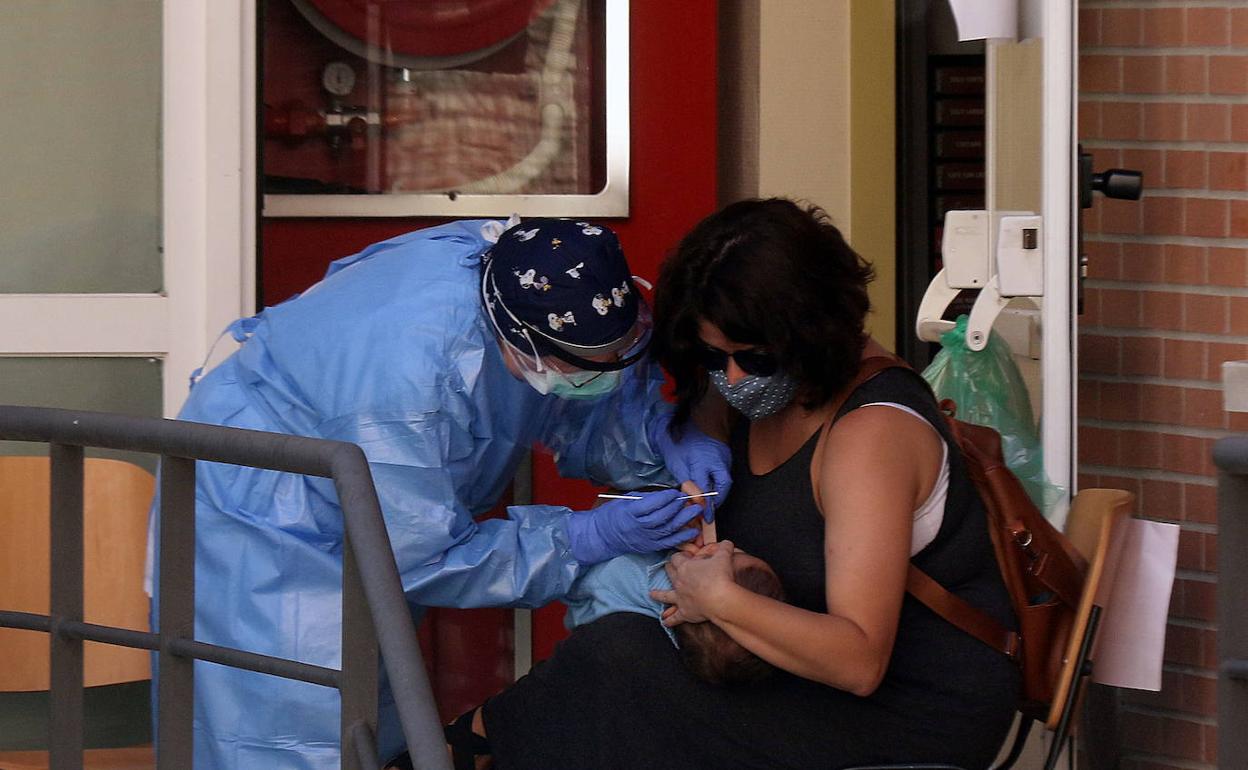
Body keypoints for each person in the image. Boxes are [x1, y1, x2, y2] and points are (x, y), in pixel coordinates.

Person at [147, 217, 732, 769]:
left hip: (360, 470)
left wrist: (664, 436)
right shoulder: (404, 389)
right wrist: (583, 537)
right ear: (521, 346)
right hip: (262, 522)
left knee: (374, 719)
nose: (603, 375)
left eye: (617, 354)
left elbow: (585, 389)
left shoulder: (536, 275)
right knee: (299, 731)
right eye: (586, 368)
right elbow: (424, 556)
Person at [458, 198, 1021, 769]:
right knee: (613, 646)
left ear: (812, 333)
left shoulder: (869, 439)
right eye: (711, 354)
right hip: (791, 671)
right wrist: (691, 446)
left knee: (617, 668)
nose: (729, 378)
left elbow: (859, 662)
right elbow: (709, 407)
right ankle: (476, 742)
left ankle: (471, 741)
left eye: (750, 358)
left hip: (908, 709)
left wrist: (719, 597)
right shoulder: (756, 389)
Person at [564, 541, 786, 685]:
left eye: (728, 556)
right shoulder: (692, 639)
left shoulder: (627, 573)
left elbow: (572, 569)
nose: (724, 545)